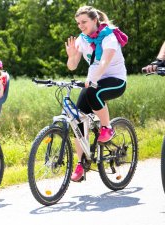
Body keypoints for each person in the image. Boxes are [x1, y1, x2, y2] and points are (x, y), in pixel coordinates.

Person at [65, 6, 128, 182]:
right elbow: (72, 66)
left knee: (93, 92)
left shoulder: (109, 36)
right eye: (78, 23)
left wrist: (93, 80)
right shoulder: (82, 39)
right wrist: (71, 56)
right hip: (93, 82)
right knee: (78, 121)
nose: (81, 26)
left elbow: (104, 63)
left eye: (84, 22)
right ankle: (81, 164)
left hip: (115, 81)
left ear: (95, 20)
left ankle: (107, 127)